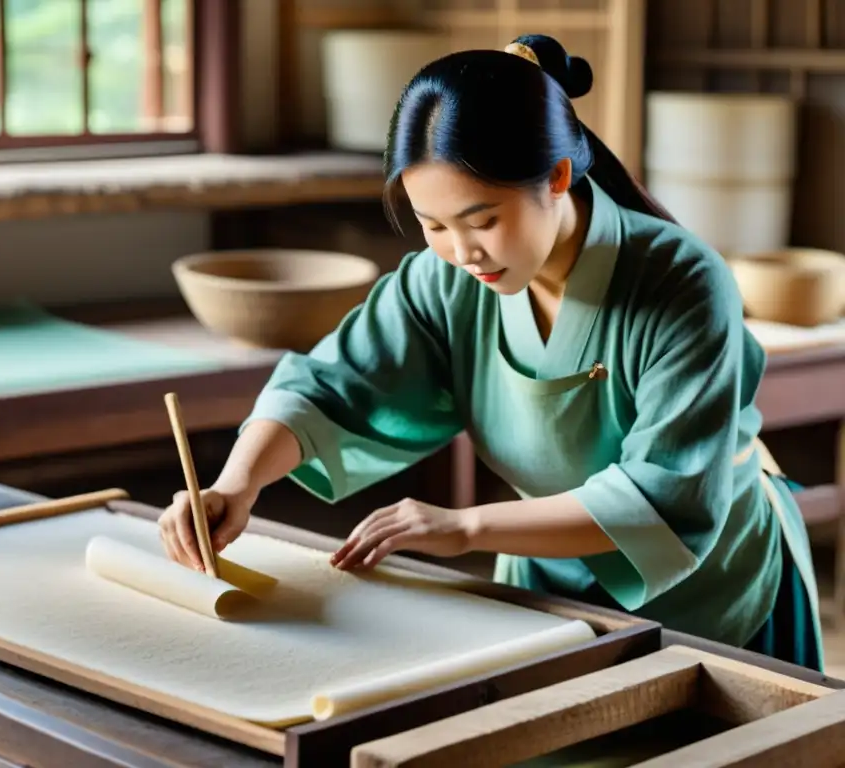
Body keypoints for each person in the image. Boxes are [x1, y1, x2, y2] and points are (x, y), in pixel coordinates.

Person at [159, 34, 823, 671]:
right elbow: (332, 385)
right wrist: (234, 483)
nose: (461, 251)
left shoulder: (684, 283)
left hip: (710, 585)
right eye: (433, 224)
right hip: (542, 566)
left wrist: (469, 526)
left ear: (558, 175)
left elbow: (666, 496)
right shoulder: (446, 278)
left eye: (483, 220)